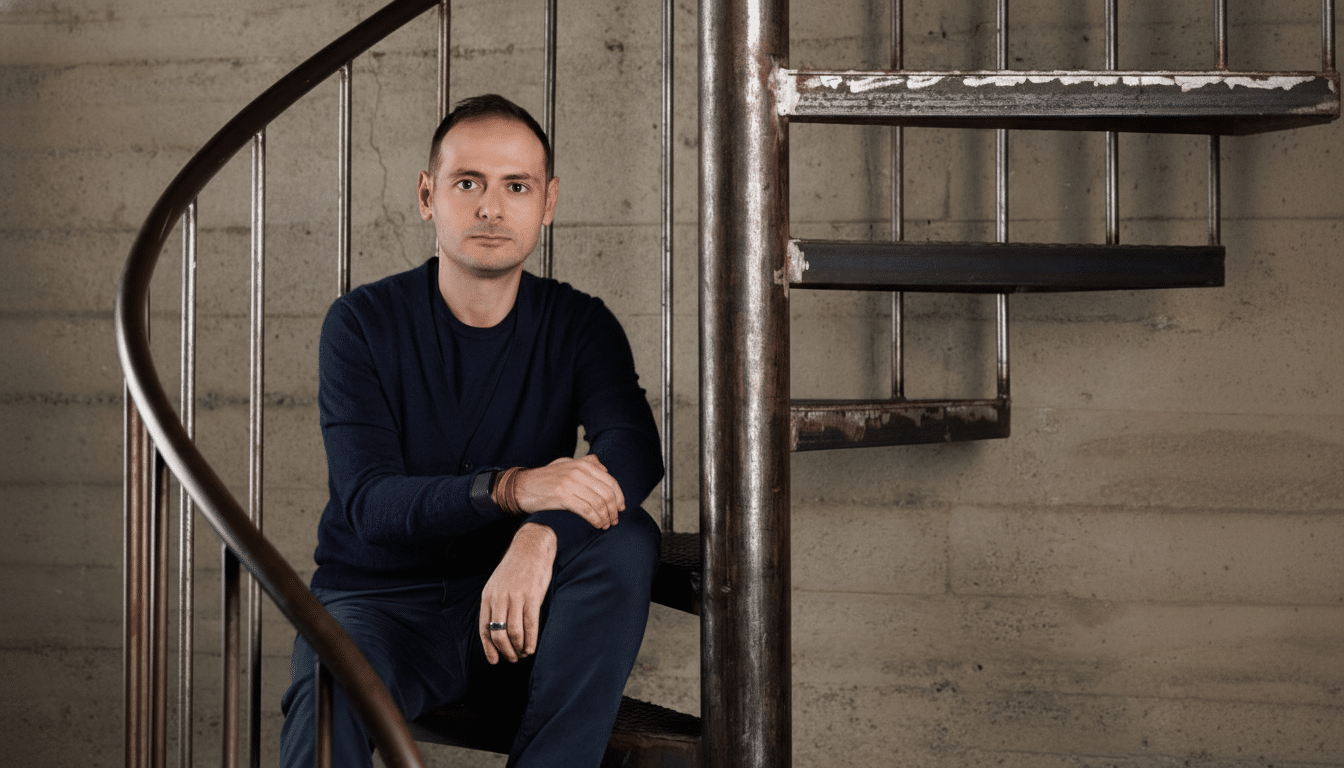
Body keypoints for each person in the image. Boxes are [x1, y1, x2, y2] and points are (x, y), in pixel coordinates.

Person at [279, 93, 665, 768]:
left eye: (517, 186)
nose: (492, 207)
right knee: (328, 694)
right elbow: (370, 503)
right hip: (381, 606)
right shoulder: (362, 323)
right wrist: (512, 491)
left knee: (626, 539)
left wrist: (541, 536)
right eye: (468, 183)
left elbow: (633, 451)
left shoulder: (579, 324)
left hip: (520, 611)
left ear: (546, 203)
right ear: (428, 196)